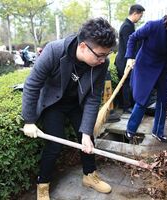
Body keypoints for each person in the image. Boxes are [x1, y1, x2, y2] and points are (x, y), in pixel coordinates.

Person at [22, 18, 117, 200]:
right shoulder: (54, 50)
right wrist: (29, 121)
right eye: (99, 55)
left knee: (88, 141)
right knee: (55, 144)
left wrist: (87, 132)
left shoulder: (101, 64)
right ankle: (43, 184)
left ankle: (90, 175)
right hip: (53, 103)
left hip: (77, 103)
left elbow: (93, 97)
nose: (103, 60)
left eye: (106, 55)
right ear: (82, 47)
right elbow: (32, 84)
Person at [124, 3, 167, 143]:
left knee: (163, 100)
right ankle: (130, 130)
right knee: (142, 100)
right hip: (146, 67)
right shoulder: (152, 26)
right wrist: (130, 57)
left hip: (165, 69)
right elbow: (133, 38)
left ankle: (158, 131)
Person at [114, 4, 145, 114]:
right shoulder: (127, 26)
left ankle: (124, 105)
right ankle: (126, 107)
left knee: (126, 83)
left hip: (123, 59)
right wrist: (131, 58)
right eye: (140, 16)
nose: (140, 18)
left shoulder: (129, 25)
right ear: (135, 13)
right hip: (124, 60)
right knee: (127, 83)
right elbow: (130, 45)